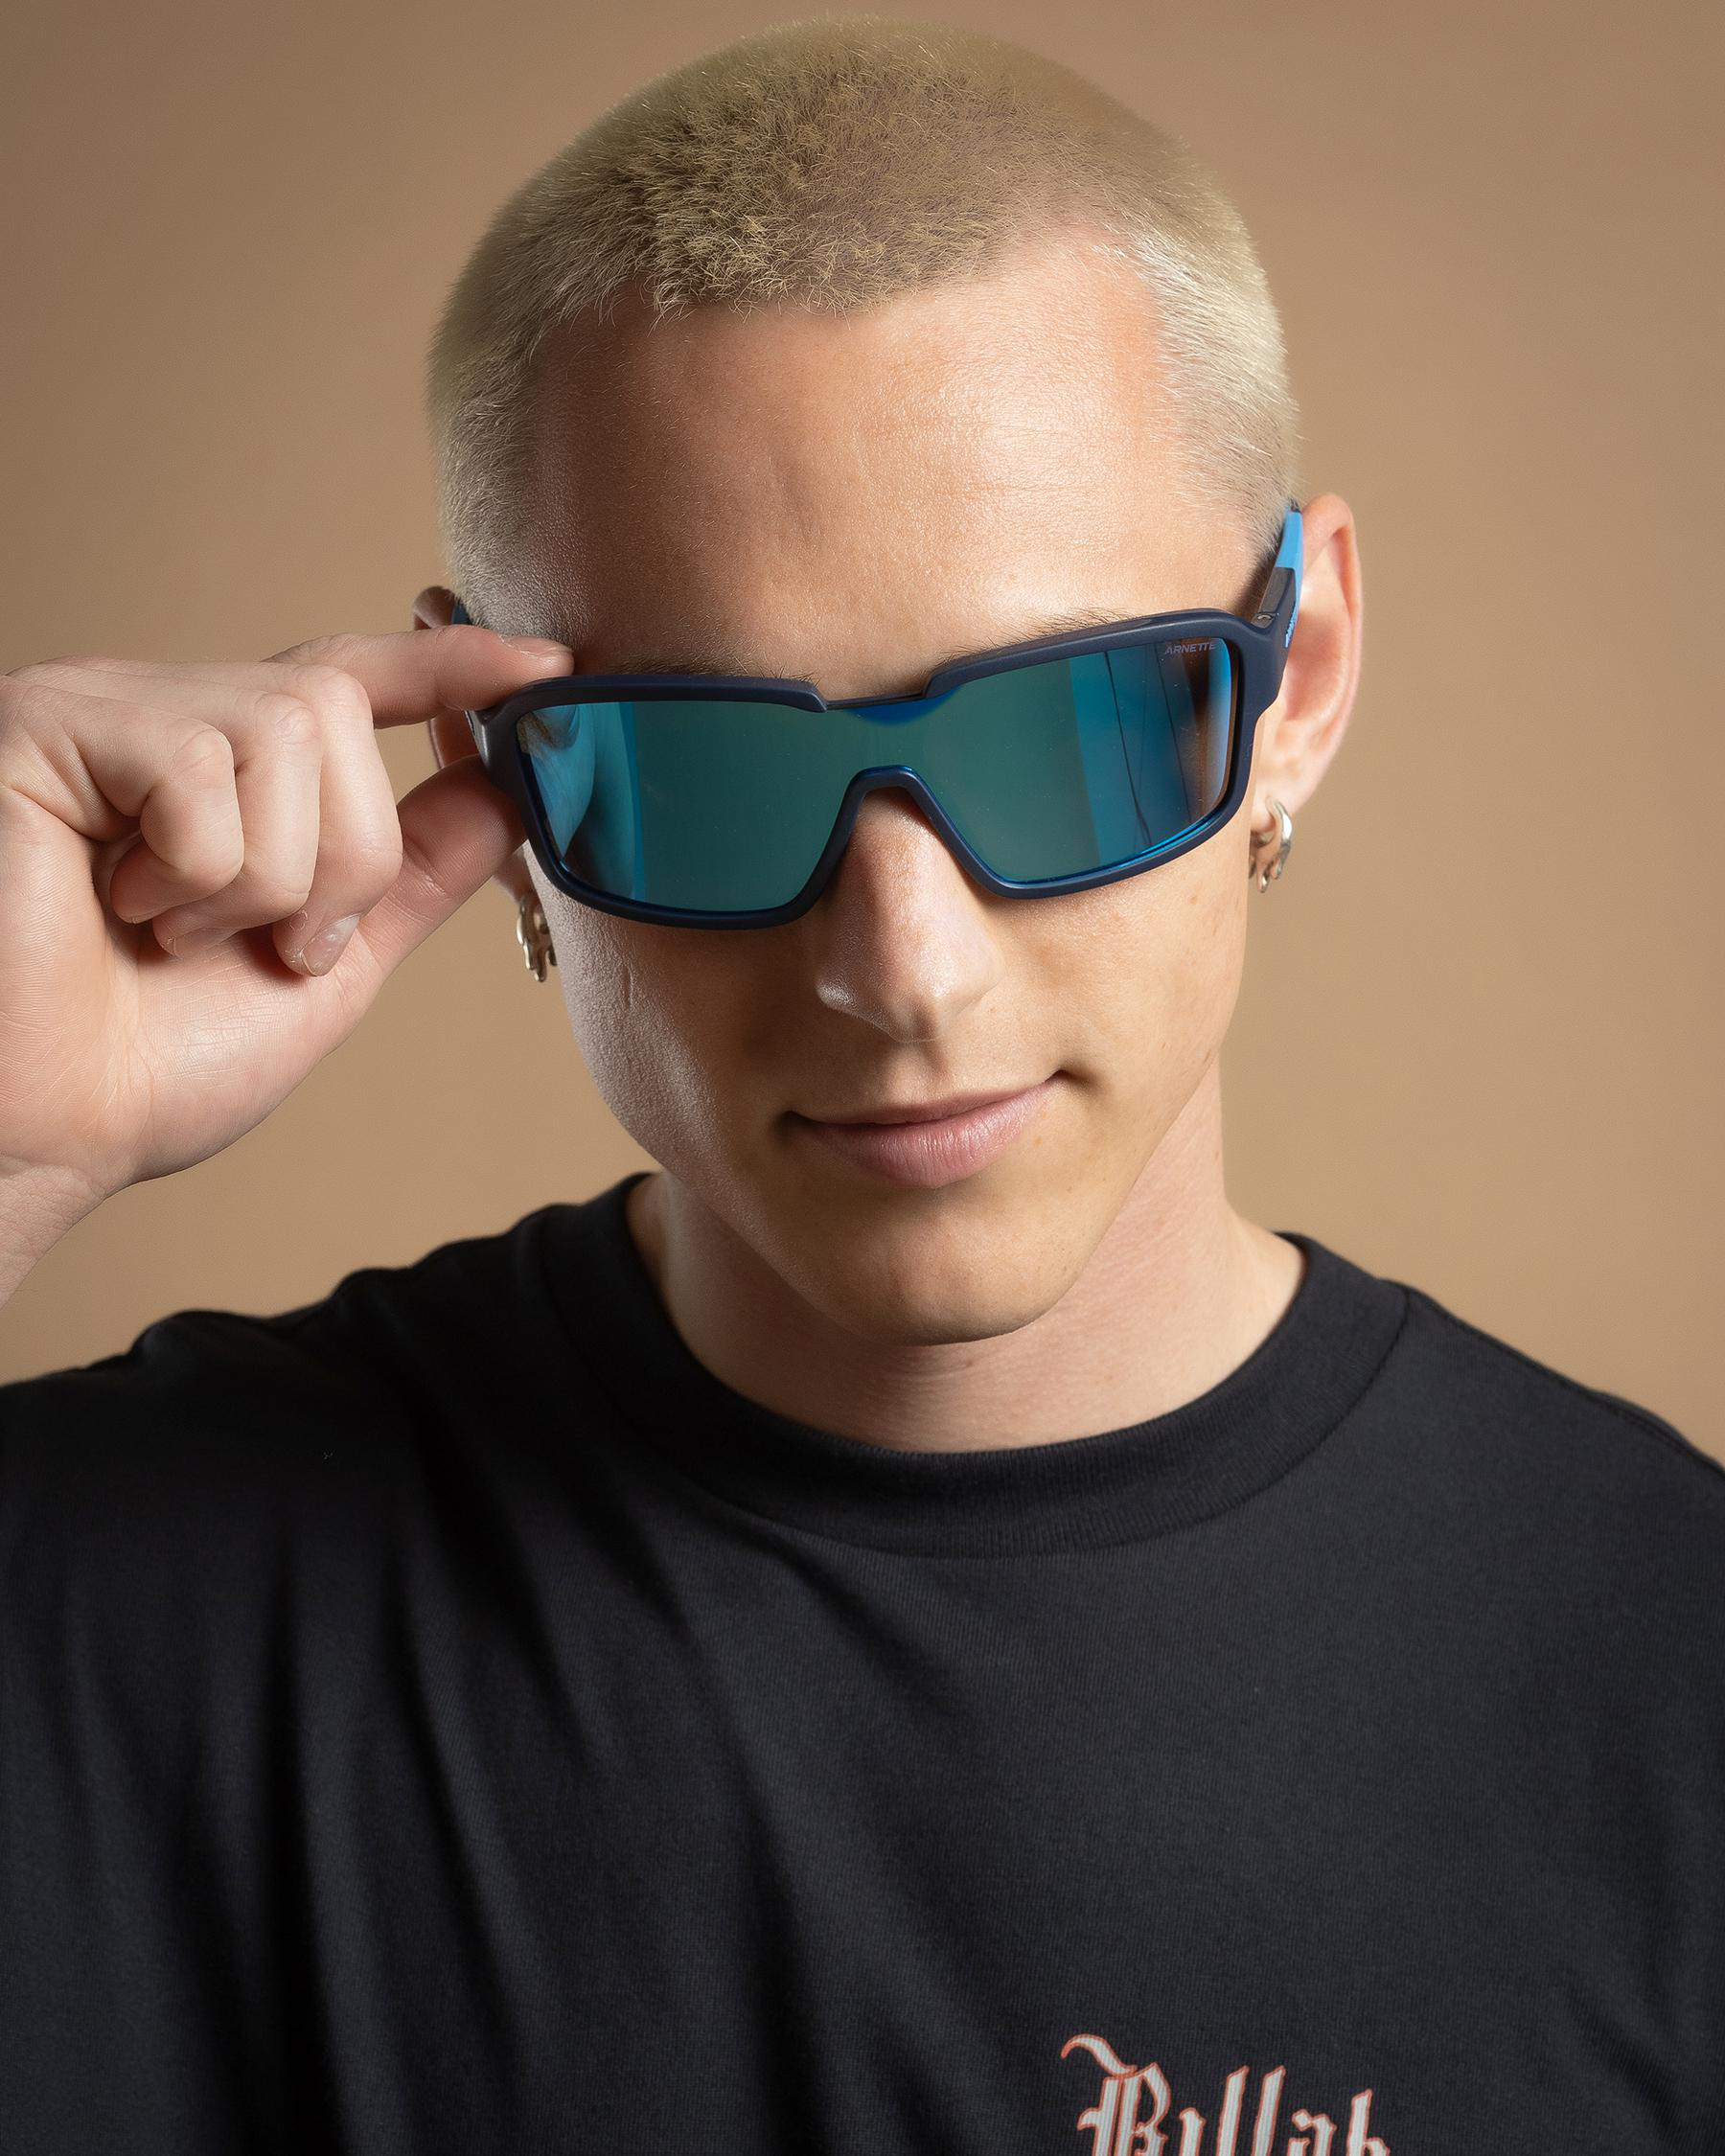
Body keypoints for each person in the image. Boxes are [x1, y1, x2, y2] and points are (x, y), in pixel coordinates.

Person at [0, 16, 1718, 2153]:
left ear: (1300, 681)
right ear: (493, 774)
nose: (900, 967)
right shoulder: (122, 1603)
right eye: (708, 774)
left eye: (1069, 736)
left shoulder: (1671, 1677)